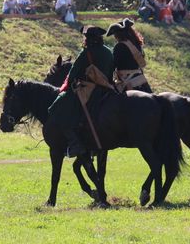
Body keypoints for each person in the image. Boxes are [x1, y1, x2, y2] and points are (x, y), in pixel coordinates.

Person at [47, 25, 115, 157]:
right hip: (107, 90)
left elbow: (72, 74)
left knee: (55, 109)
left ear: (88, 39)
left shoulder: (86, 53)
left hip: (88, 90)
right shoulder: (108, 52)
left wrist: (65, 88)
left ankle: (74, 143)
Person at [107, 18, 151, 93]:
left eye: (115, 34)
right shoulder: (137, 44)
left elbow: (113, 65)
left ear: (119, 34)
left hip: (127, 82)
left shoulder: (120, 46)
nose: (115, 37)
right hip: (140, 79)